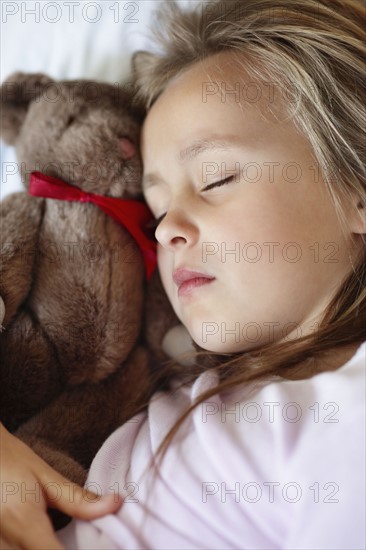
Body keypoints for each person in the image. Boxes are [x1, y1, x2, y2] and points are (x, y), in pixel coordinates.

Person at [1, 0, 365, 548]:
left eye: (216, 178)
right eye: (156, 208)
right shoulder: (177, 383)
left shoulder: (344, 418)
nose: (167, 229)